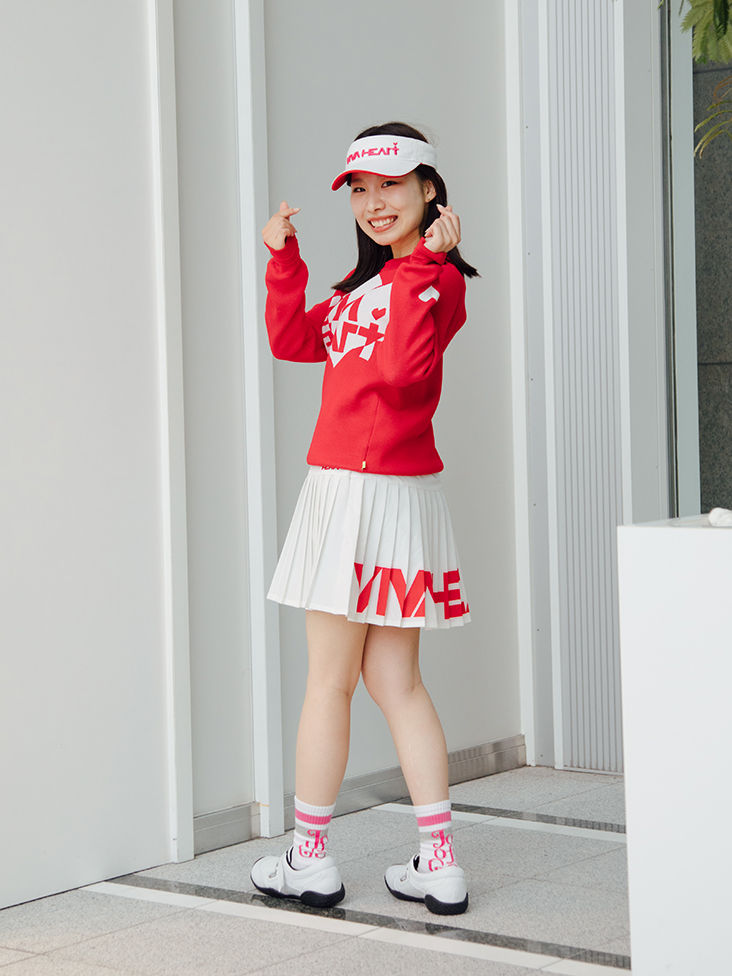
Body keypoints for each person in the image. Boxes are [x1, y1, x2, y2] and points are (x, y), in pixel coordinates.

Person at [250, 122, 478, 916]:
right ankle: (438, 864)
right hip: (379, 492)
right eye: (360, 189)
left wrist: (429, 264)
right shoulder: (363, 290)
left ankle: (310, 858)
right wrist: (283, 259)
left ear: (429, 190)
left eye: (392, 185)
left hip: (361, 490)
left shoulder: (433, 281)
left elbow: (404, 371)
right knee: (391, 680)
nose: (375, 202)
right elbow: (291, 341)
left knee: (331, 680)